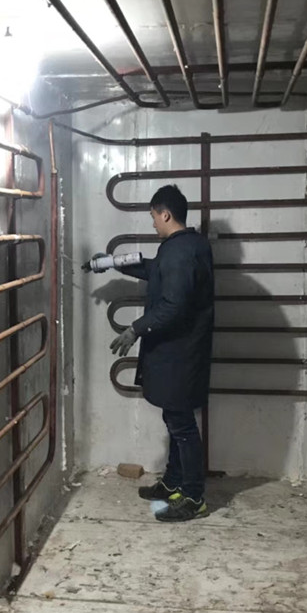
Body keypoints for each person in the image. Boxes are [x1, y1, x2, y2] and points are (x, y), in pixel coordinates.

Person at [89, 184, 214, 522]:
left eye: (154, 217)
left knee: (181, 424)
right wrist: (113, 263)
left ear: (166, 214)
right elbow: (153, 269)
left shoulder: (180, 252)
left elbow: (174, 306)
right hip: (181, 352)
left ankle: (193, 497)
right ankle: (174, 483)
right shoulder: (187, 246)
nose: (153, 223)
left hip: (180, 353)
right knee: (175, 419)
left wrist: (135, 328)